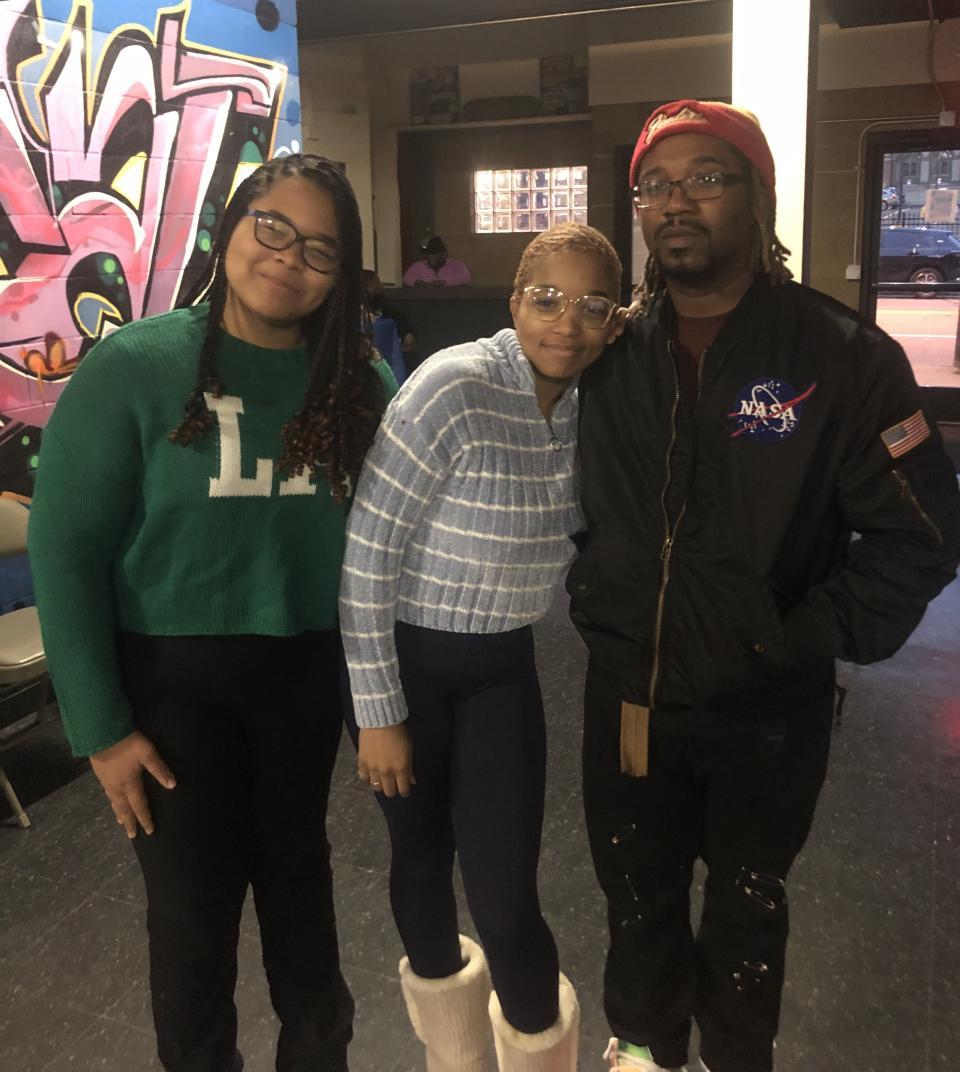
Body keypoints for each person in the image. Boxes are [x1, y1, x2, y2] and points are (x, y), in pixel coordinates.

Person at [567, 100, 960, 1072]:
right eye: (655, 185)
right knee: (636, 898)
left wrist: (798, 635)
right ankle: (645, 1048)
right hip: (629, 697)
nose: (676, 202)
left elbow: (921, 535)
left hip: (767, 710)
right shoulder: (610, 352)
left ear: (759, 195)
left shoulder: (841, 355)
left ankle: (736, 1056)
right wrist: (598, 596)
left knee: (748, 906)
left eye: (707, 177)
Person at [28, 155, 395, 1072]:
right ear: (230, 227)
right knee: (192, 919)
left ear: (341, 271)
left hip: (304, 677)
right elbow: (64, 552)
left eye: (320, 248)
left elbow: (400, 533)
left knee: (301, 889)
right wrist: (101, 731)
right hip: (169, 691)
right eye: (272, 227)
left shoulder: (356, 380)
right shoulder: (136, 365)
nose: (289, 257)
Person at [340, 224, 625, 1071]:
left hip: (502, 669)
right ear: (514, 301)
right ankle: (455, 1056)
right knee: (423, 861)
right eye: (547, 299)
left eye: (592, 307)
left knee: (506, 897)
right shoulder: (453, 384)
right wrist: (378, 713)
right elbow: (368, 551)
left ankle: (538, 1053)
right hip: (405, 665)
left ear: (613, 321)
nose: (566, 323)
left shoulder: (595, 407)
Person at [403, 234, 472, 286]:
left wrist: (443, 282)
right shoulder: (418, 266)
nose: (430, 257)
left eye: (434, 254)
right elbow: (406, 278)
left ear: (444, 254)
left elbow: (466, 278)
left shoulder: (456, 265)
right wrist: (417, 282)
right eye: (428, 254)